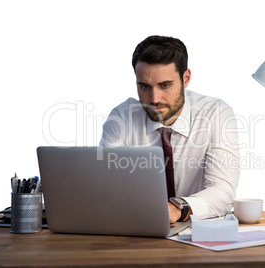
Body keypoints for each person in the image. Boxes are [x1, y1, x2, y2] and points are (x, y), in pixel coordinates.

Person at [100, 35, 240, 223]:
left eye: (165, 85)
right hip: (136, 228)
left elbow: (223, 190)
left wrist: (176, 209)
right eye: (144, 86)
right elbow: (107, 186)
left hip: (197, 230)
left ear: (186, 78)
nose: (154, 98)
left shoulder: (216, 113)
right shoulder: (121, 118)